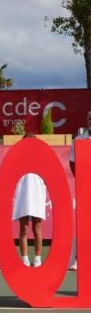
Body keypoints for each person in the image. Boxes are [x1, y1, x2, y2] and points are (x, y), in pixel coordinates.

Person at [12, 133, 46, 268]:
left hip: (37, 195)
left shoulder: (42, 159)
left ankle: (37, 259)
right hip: (23, 195)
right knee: (24, 229)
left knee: (37, 228)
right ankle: (25, 259)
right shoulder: (17, 158)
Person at [67, 111, 91, 271]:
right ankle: (78, 259)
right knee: (82, 225)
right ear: (87, 121)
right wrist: (82, 181)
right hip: (85, 188)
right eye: (90, 119)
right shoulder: (79, 140)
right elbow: (72, 163)